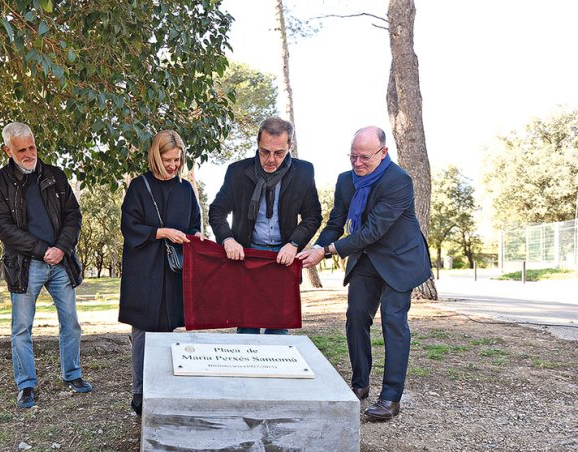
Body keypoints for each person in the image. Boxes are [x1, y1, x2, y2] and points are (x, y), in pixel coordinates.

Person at [297, 126, 431, 421]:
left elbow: (372, 230)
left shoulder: (399, 181)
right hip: (366, 259)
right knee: (356, 317)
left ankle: (391, 398)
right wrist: (316, 246)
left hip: (400, 260)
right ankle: (359, 385)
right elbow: (336, 222)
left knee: (394, 322)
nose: (357, 163)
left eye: (364, 158)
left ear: (383, 153)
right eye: (352, 156)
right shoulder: (346, 181)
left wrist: (329, 251)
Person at [0, 122, 91, 409]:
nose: (29, 153)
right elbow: (4, 229)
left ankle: (72, 375)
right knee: (22, 328)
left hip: (61, 262)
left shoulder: (55, 176)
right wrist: (43, 250)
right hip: (25, 265)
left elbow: (74, 216)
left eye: (32, 147)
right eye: (22, 150)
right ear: (8, 150)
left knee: (70, 322)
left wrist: (61, 248)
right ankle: (26, 385)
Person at [209, 117, 322, 334]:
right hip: (247, 257)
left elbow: (312, 216)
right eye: (264, 152)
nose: (270, 159)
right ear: (258, 145)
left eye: (279, 153)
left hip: (284, 257)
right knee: (247, 330)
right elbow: (217, 211)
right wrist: (228, 239)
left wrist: (294, 244)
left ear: (290, 146)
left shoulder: (304, 172)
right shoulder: (237, 171)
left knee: (278, 330)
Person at [119, 130, 203, 415]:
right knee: (143, 330)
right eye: (168, 159)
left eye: (177, 160)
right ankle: (140, 393)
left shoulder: (185, 189)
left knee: (170, 329)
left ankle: (166, 387)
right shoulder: (139, 187)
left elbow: (194, 224)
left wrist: (196, 236)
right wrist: (161, 232)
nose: (173, 165)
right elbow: (129, 226)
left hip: (174, 270)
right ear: (156, 156)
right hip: (145, 269)